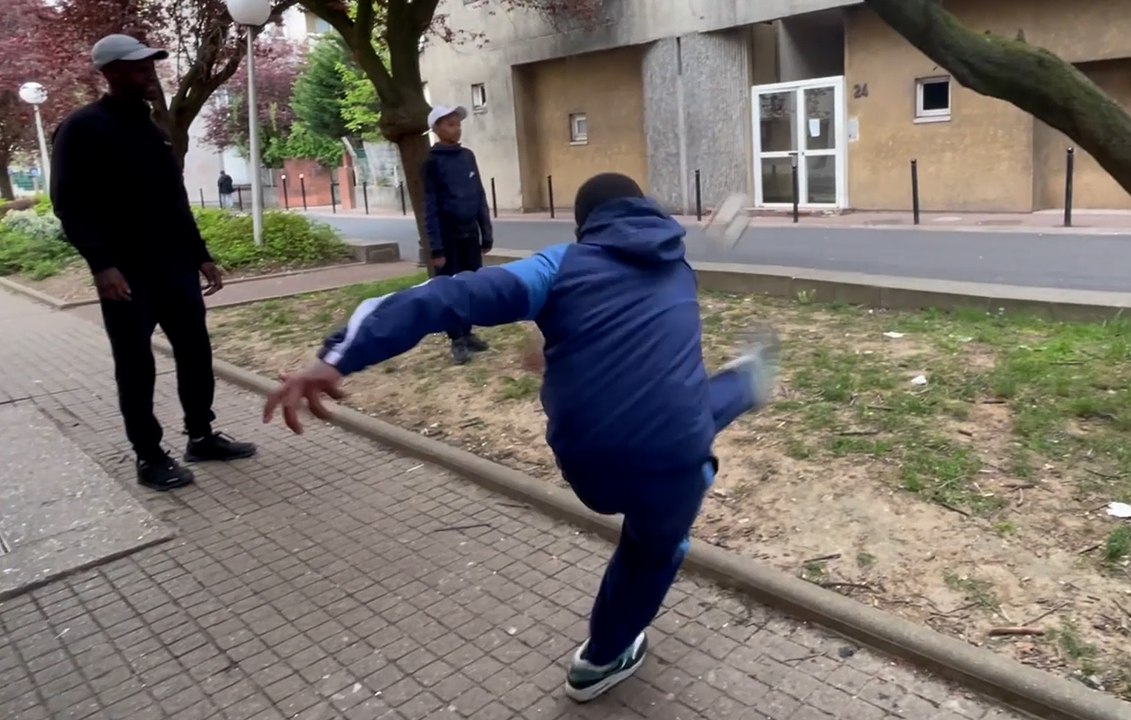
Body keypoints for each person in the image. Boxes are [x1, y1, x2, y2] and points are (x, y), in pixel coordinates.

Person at [263, 172, 779, 702]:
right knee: (659, 526)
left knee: (667, 420)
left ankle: (744, 381)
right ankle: (601, 661)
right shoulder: (678, 269)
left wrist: (339, 356)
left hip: (587, 462)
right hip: (671, 462)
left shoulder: (560, 267)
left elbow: (445, 296)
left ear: (585, 229)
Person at [51, 34, 256, 492]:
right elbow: (69, 205)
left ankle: (200, 436)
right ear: (108, 73)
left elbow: (174, 202)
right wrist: (102, 266)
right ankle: (148, 456)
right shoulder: (82, 128)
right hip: (126, 275)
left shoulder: (153, 129)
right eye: (136, 66)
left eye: (149, 64)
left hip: (175, 268)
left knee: (195, 354)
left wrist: (201, 255)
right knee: (136, 366)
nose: (147, 72)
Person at [422, 104, 494, 364]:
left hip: (469, 235)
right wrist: (436, 249)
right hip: (448, 236)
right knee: (450, 288)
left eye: (458, 123)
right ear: (437, 129)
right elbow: (429, 206)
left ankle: (468, 332)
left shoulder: (467, 156)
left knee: (471, 285)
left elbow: (479, 195)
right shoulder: (432, 162)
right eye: (450, 124)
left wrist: (485, 232)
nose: (456, 128)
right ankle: (456, 339)